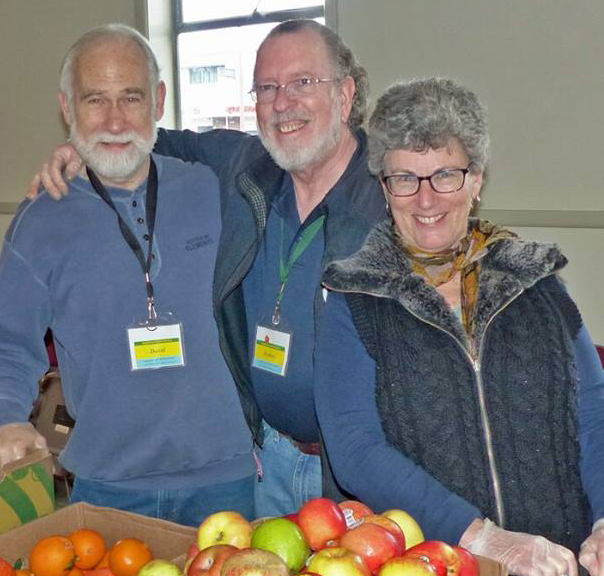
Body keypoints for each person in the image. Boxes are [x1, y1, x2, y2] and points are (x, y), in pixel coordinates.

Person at [31, 20, 386, 517]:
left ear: (346, 95)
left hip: (357, 475)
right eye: (267, 87)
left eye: (304, 82)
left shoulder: (392, 194)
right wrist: (86, 145)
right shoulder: (247, 169)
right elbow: (160, 140)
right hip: (265, 461)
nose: (282, 101)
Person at [315, 77, 604, 576]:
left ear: (476, 180)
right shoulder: (355, 297)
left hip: (557, 560)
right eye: (406, 178)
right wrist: (482, 537)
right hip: (436, 562)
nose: (426, 199)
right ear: (385, 188)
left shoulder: (535, 282)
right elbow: (355, 450)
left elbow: (596, 413)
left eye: (446, 175)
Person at [0, 24, 255, 526]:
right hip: (106, 486)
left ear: (159, 101)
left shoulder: (215, 190)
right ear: (67, 108)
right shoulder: (43, 218)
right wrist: (4, 417)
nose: (116, 119)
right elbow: (4, 343)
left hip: (225, 480)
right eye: (95, 100)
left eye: (132, 97)